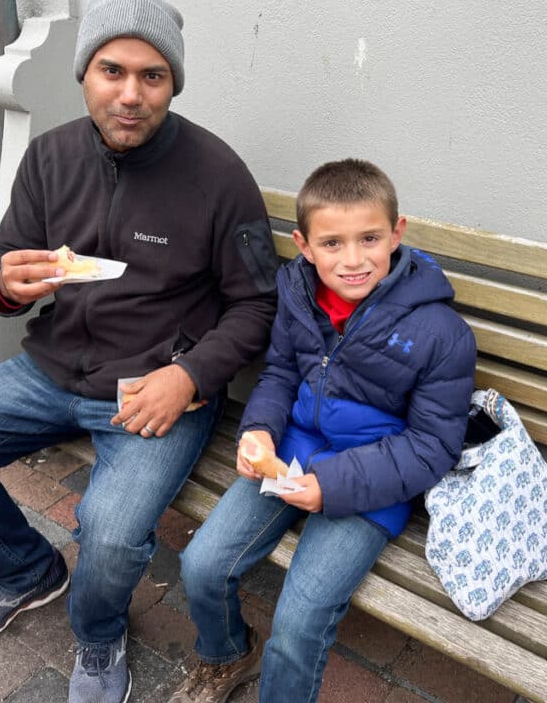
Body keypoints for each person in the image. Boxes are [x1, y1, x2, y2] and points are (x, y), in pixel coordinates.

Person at [0, 0, 279, 703]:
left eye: (152, 76)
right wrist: (4, 280)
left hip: (154, 389)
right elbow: (2, 253)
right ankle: (27, 573)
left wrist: (189, 377)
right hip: (50, 369)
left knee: (112, 530)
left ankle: (97, 633)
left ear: (173, 84)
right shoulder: (51, 158)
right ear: (85, 75)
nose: (130, 94)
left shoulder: (219, 176)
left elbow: (258, 304)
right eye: (111, 71)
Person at [173, 159, 477, 702]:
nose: (353, 260)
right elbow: (281, 373)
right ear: (305, 245)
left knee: (300, 620)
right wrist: (261, 429)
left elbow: (433, 446)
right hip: (289, 453)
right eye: (332, 243)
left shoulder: (441, 332)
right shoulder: (299, 294)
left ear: (397, 233)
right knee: (202, 565)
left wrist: (332, 485)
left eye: (369, 238)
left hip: (372, 482)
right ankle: (228, 654)